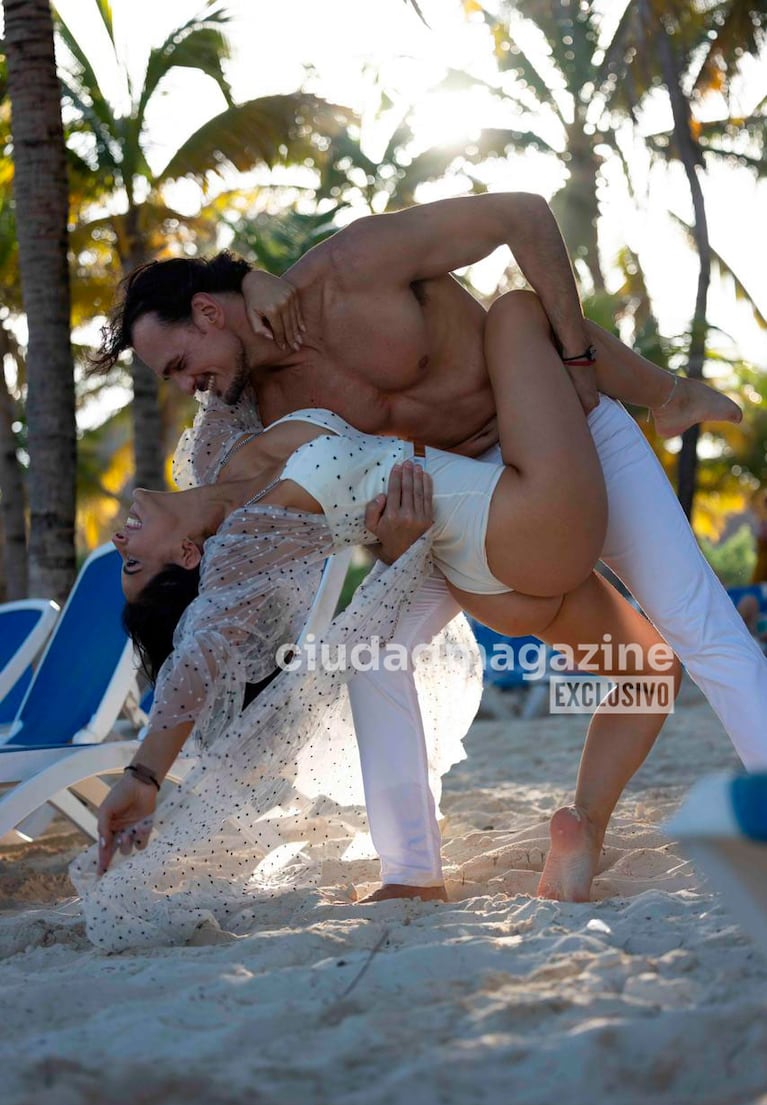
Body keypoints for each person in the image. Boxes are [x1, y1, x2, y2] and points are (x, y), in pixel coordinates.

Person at [91, 191, 767, 907]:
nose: (184, 386)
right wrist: (390, 546)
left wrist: (573, 358)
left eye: (176, 363)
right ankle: (410, 873)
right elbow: (227, 596)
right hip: (459, 511)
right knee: (371, 656)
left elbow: (524, 216)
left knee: (679, 638)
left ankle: (591, 822)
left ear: (206, 312)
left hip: (563, 429)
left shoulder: (351, 266)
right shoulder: (243, 421)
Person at [79, 308, 684, 949]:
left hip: (470, 555)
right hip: (505, 525)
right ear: (190, 558)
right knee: (521, 316)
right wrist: (144, 777)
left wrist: (255, 285)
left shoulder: (216, 451)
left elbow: (223, 340)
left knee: (650, 673)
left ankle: (521, 842)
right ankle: (674, 396)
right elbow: (200, 656)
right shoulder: (242, 546)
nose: (118, 537)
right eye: (133, 560)